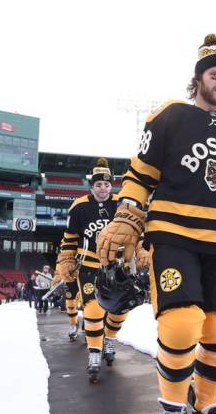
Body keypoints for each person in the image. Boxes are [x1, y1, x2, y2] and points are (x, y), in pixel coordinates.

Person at [97, 34, 216, 413]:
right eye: (215, 74)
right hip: (175, 235)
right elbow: (141, 174)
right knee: (182, 325)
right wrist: (128, 215)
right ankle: (174, 407)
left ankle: (208, 405)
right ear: (197, 79)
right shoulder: (170, 115)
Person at [53, 158, 148, 382]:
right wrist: (66, 259)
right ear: (91, 186)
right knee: (94, 310)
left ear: (110, 186)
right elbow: (70, 238)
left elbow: (137, 230)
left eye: (106, 185)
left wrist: (142, 249)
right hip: (89, 265)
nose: (102, 189)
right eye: (98, 185)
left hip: (118, 265)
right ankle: (94, 354)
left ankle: (110, 340)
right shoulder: (78, 207)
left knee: (120, 308)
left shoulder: (121, 204)